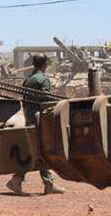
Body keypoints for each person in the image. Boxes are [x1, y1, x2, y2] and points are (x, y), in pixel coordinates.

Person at [6, 53, 66, 196]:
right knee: (40, 150)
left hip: (29, 118)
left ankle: (47, 183)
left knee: (37, 150)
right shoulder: (43, 79)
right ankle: (19, 180)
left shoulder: (29, 80)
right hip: (40, 119)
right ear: (45, 64)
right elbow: (47, 101)